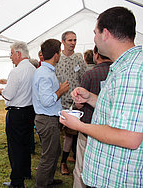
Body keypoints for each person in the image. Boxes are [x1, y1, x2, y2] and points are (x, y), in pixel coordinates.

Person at [60, 7, 142, 187]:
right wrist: (90, 98)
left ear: (105, 34)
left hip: (117, 179)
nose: (94, 38)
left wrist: (80, 126)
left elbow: (129, 137)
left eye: (95, 32)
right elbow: (119, 110)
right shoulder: (123, 66)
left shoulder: (131, 72)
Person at [73, 46, 112, 188]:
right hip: (110, 129)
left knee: (80, 167)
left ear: (96, 55)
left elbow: (79, 105)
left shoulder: (89, 75)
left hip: (88, 128)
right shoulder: (116, 73)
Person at [32, 39, 69, 188]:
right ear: (56, 54)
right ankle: (41, 185)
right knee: (48, 156)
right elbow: (47, 101)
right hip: (46, 119)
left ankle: (49, 180)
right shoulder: (45, 73)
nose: (60, 55)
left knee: (54, 152)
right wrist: (60, 90)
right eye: (59, 52)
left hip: (48, 118)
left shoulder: (45, 71)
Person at [0, 41, 36, 188]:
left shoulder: (16, 71)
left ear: (18, 54)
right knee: (26, 144)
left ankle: (17, 181)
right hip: (29, 111)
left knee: (15, 148)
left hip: (17, 113)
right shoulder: (33, 69)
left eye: (11, 54)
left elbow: (8, 94)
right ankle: (25, 172)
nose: (10, 57)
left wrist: (1, 91)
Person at [55, 31, 86, 175]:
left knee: (70, 135)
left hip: (73, 104)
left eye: (75, 40)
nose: (73, 43)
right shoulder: (57, 58)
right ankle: (50, 161)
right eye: (70, 40)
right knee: (54, 134)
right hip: (57, 102)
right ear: (63, 42)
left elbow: (84, 77)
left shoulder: (78, 58)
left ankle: (63, 162)